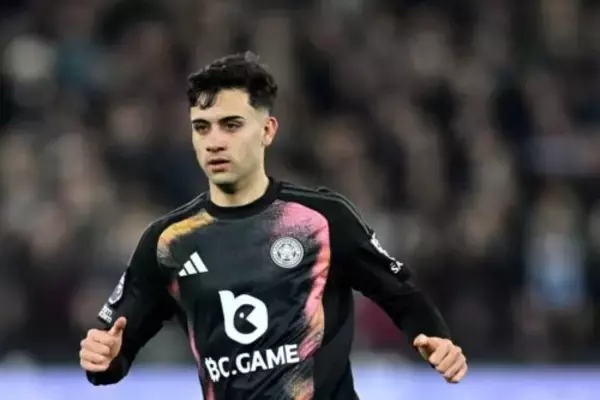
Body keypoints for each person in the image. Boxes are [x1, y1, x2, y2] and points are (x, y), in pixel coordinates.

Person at [79, 52, 467, 399]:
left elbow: (400, 294)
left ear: (267, 130)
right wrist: (101, 359)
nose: (214, 141)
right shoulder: (169, 242)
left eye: (231, 125)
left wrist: (437, 339)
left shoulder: (321, 219)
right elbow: (114, 349)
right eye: (202, 127)